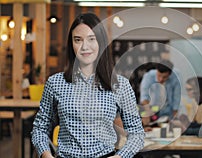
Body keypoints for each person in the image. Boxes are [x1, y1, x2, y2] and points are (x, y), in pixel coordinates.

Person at [31, 13, 145, 158]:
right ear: (71, 44)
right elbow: (39, 128)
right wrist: (46, 155)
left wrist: (120, 157)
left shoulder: (120, 84)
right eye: (78, 40)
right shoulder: (55, 82)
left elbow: (137, 133)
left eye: (92, 39)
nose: (85, 46)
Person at [139, 60, 181, 125]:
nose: (161, 79)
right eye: (159, 75)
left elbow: (177, 98)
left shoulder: (176, 77)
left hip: (168, 111)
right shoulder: (148, 76)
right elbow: (144, 97)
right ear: (157, 70)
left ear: (170, 74)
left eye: (164, 77)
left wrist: (175, 118)